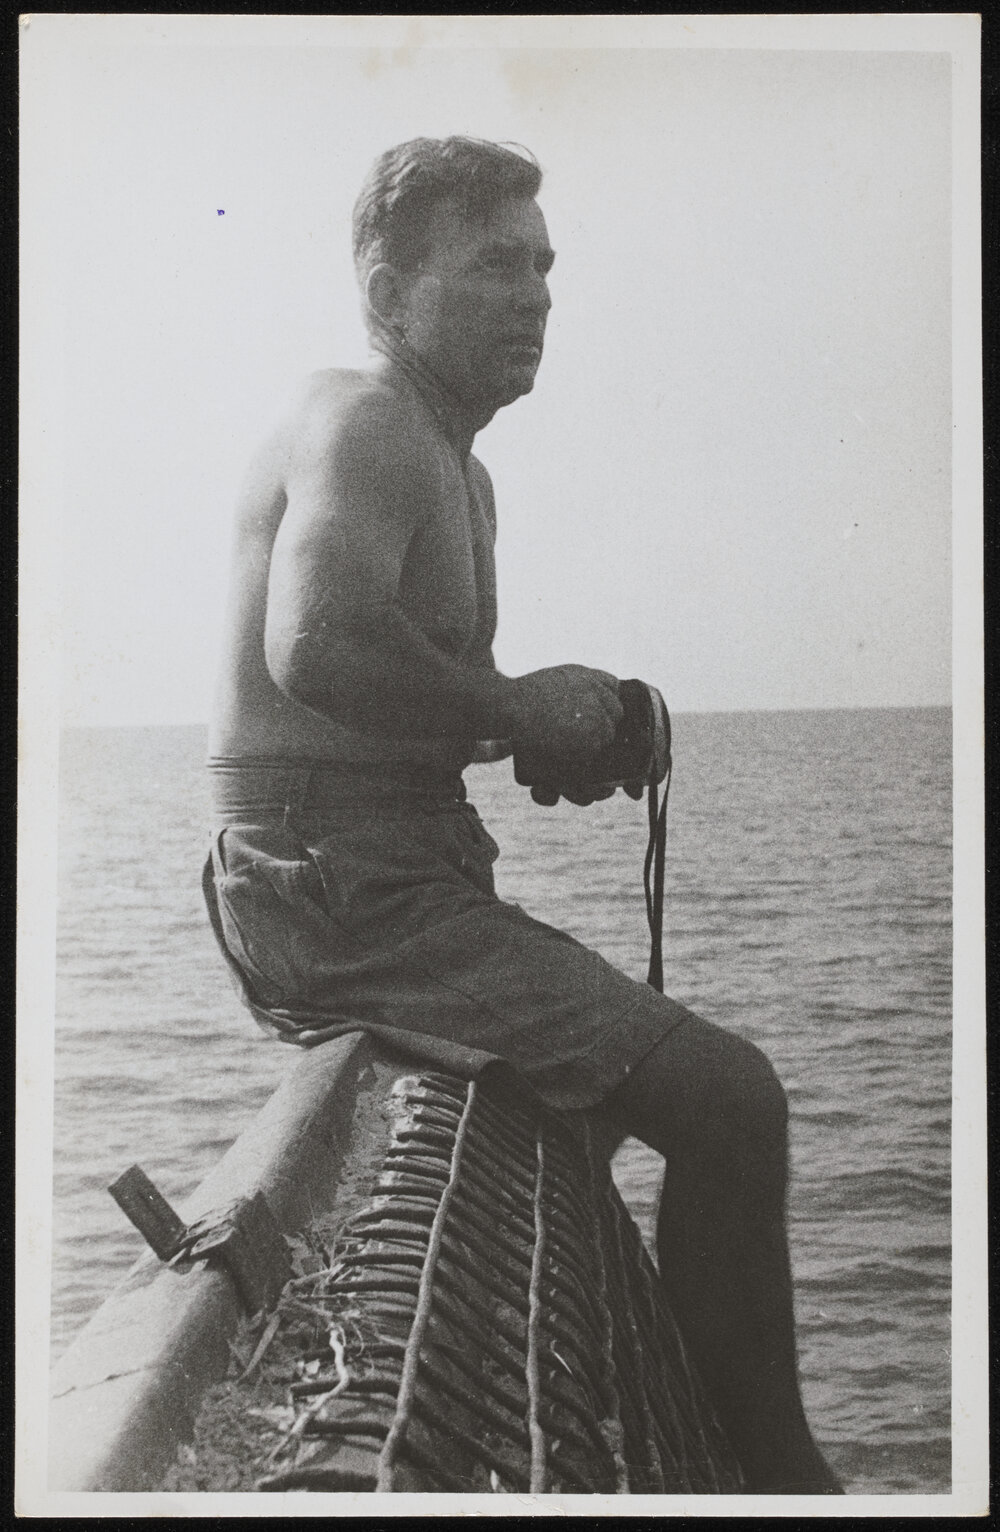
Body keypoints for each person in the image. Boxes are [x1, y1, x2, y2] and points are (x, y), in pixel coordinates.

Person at [204, 136, 842, 1494]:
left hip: (386, 867)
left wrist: (567, 733)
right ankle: (780, 1476)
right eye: (494, 264)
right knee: (735, 1099)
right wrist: (509, 712)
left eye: (546, 266)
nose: (538, 294)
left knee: (642, 1105)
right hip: (333, 888)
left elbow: (392, 703)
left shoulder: (456, 466)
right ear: (390, 290)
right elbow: (314, 649)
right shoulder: (367, 420)